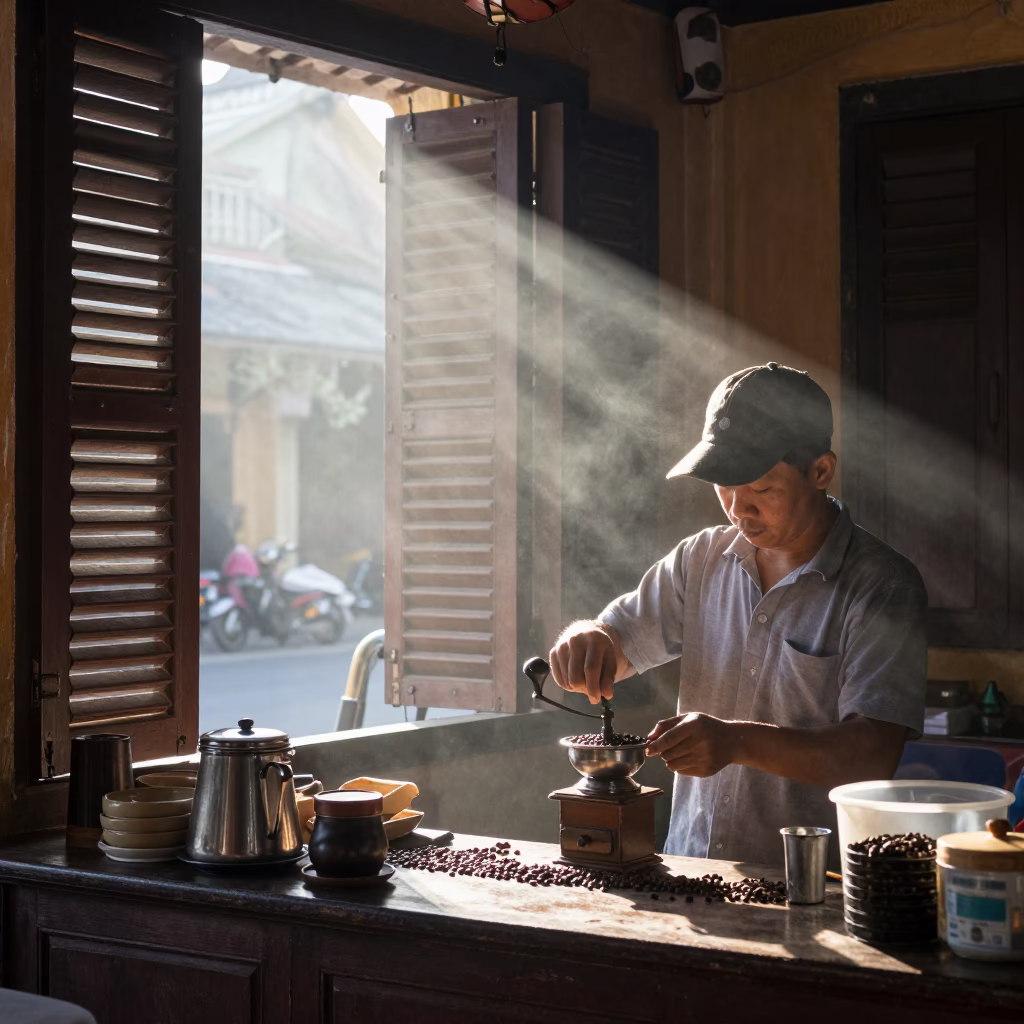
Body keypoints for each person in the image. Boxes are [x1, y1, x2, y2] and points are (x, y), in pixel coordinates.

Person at [548, 362, 927, 867]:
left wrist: (737, 742)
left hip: (813, 883)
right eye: (723, 486)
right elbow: (615, 642)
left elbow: (871, 756)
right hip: (691, 871)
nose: (737, 508)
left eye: (762, 489)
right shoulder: (700, 559)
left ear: (820, 471)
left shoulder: (882, 586)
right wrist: (588, 638)